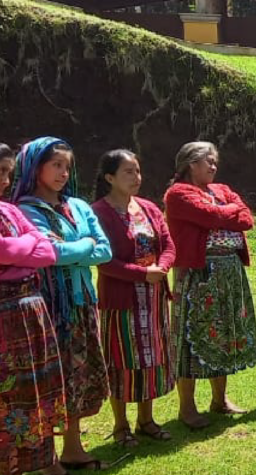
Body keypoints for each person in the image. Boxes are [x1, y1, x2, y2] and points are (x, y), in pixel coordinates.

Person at [12, 137, 113, 471]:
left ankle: (73, 447)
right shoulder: (25, 210)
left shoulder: (79, 207)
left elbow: (106, 250)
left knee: (79, 375)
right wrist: (83, 247)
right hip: (51, 305)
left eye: (67, 166)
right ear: (34, 166)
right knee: (53, 378)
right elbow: (47, 255)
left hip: (82, 302)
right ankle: (47, 456)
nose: (63, 172)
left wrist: (73, 249)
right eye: (56, 164)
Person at [164, 141, 256, 430]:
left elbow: (248, 219)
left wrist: (224, 212)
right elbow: (212, 216)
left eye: (215, 161)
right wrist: (227, 212)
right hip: (199, 275)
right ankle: (187, 407)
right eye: (208, 161)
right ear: (191, 164)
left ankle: (219, 399)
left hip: (228, 272)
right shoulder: (178, 194)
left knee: (226, 333)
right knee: (191, 338)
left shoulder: (220, 190)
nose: (214, 166)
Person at [91, 150, 176, 447]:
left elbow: (168, 245)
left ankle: (146, 419)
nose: (136, 177)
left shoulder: (149, 209)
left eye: (138, 171)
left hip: (152, 299)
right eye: (128, 172)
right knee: (122, 358)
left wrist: (161, 268)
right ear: (109, 177)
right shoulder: (99, 213)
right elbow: (103, 260)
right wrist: (141, 274)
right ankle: (120, 425)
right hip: (122, 300)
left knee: (151, 358)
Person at [0, 143, 67, 475]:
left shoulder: (10, 211)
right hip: (3, 319)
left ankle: (44, 462)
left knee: (35, 391)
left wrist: (18, 251)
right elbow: (28, 247)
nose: (5, 180)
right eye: (0, 172)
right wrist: (24, 250)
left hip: (30, 315)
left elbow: (47, 251)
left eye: (8, 173)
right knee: (7, 395)